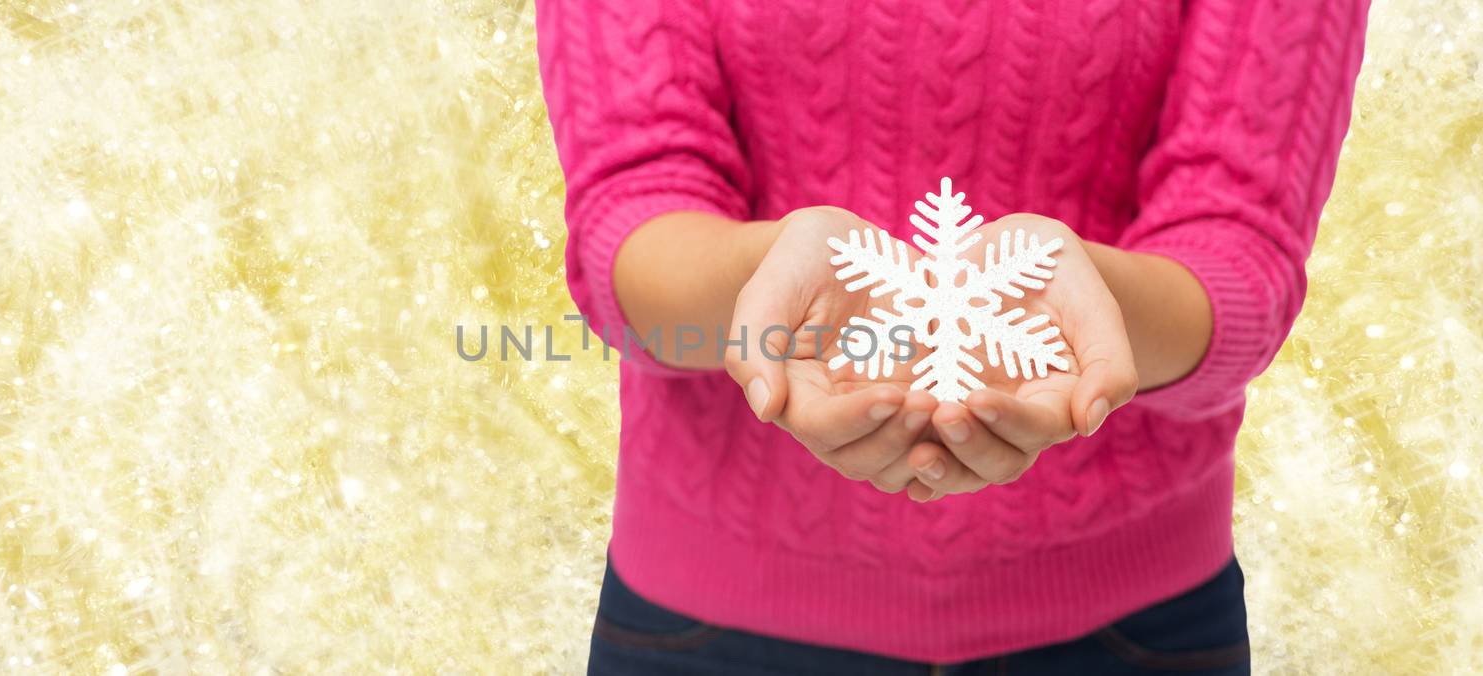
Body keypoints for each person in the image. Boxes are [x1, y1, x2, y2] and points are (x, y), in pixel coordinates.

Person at [535, 1, 1369, 673]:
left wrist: (1086, 301)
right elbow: (627, 231)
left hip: (1131, 625)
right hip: (706, 624)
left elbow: (1241, 254)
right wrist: (766, 285)